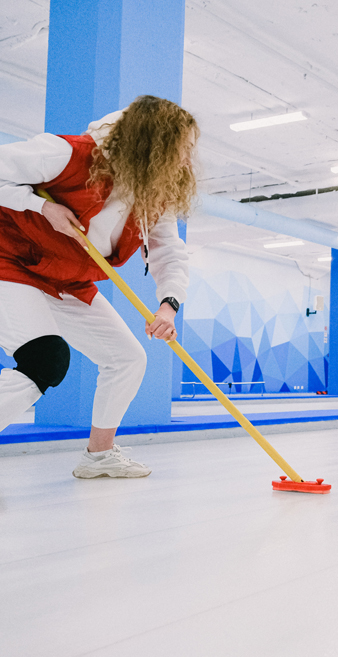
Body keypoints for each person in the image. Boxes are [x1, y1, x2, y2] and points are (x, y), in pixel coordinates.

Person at [0, 95, 197, 478]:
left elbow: (168, 251)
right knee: (45, 359)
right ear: (152, 143)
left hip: (68, 281)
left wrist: (168, 306)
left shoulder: (154, 194)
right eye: (181, 149)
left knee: (128, 358)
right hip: (12, 262)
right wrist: (41, 207)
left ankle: (98, 456)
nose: (187, 160)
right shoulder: (66, 154)